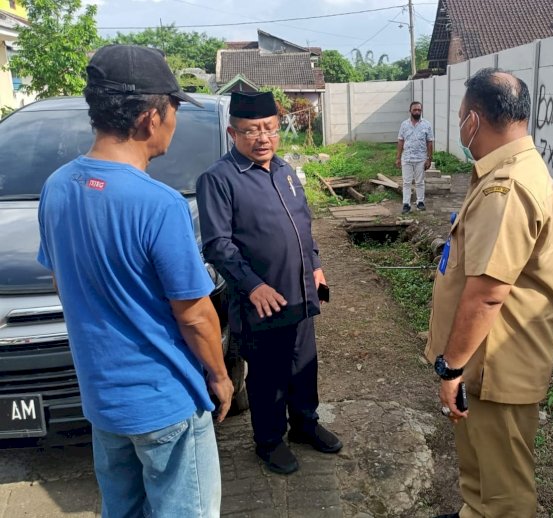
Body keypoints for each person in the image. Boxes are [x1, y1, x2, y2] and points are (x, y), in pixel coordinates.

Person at [36, 45, 233, 518]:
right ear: (150, 117)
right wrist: (221, 377)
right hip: (165, 401)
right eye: (174, 110)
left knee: (121, 509)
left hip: (103, 400)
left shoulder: (57, 186)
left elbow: (65, 286)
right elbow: (195, 315)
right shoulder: (158, 204)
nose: (174, 122)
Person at [425, 68, 553, 518]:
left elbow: (486, 293)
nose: (460, 123)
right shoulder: (507, 171)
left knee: (504, 492)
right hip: (488, 361)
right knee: (480, 468)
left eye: (462, 114)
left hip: (496, 363)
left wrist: (452, 367)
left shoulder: (508, 187)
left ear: (474, 120)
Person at [197, 91, 342, 475]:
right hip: (261, 299)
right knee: (268, 375)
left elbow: (304, 227)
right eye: (251, 131)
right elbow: (217, 244)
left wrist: (316, 266)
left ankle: (305, 426)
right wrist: (253, 285)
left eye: (270, 129)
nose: (262, 138)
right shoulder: (219, 179)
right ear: (233, 133)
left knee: (304, 365)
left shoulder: (285, 171)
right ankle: (269, 441)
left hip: (301, 292)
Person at [396, 101, 434, 213]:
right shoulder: (404, 125)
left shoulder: (427, 124)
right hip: (407, 158)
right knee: (406, 182)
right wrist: (398, 157)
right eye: (415, 110)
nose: (417, 112)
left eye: (419, 110)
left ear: (421, 111)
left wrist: (429, 158)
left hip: (421, 158)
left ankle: (420, 202)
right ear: (410, 111)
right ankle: (406, 204)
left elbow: (430, 142)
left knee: (420, 182)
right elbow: (400, 141)